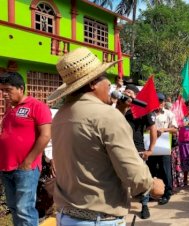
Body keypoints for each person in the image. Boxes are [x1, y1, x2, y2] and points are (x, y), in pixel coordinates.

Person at [47, 47, 164, 226]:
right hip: (98, 219)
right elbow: (132, 172)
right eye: (104, 77)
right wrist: (152, 185)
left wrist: (120, 110)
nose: (110, 84)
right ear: (94, 82)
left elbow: (93, 150)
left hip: (67, 216)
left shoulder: (61, 115)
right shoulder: (107, 116)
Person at [0, 71, 52, 226]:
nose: (4, 94)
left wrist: (28, 162)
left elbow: (45, 135)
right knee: (14, 208)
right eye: (2, 90)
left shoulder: (37, 106)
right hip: (6, 167)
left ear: (21, 88)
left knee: (24, 209)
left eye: (8, 90)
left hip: (25, 168)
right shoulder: (10, 111)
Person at [116, 83, 158, 219]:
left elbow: (153, 129)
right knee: (119, 179)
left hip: (138, 150)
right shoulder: (117, 108)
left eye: (130, 92)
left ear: (135, 95)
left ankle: (144, 205)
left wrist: (150, 149)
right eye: (125, 92)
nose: (127, 94)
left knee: (142, 179)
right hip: (119, 149)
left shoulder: (142, 109)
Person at [149, 92, 178, 205]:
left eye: (161, 101)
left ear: (164, 102)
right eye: (157, 101)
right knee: (151, 170)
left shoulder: (169, 114)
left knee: (166, 170)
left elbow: (175, 129)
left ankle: (167, 193)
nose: (159, 103)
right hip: (150, 145)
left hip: (164, 145)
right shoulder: (149, 113)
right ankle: (151, 192)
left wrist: (164, 130)